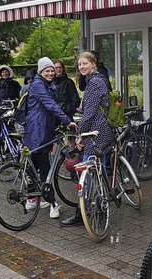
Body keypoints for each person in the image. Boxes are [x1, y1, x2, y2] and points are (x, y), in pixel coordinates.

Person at [61, 51, 115, 227]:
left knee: (87, 173)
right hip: (103, 131)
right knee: (100, 170)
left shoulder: (94, 83)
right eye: (79, 64)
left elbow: (90, 112)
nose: (81, 67)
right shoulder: (99, 80)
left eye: (85, 63)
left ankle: (82, 212)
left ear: (93, 64)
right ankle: (103, 205)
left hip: (95, 133)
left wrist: (80, 135)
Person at [23, 57, 77, 219]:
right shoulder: (39, 85)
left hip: (40, 129)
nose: (50, 73)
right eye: (47, 70)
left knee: (35, 165)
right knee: (45, 167)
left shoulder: (46, 84)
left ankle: (32, 199)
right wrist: (67, 121)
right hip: (38, 130)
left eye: (52, 70)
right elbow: (51, 105)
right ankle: (52, 202)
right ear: (40, 71)